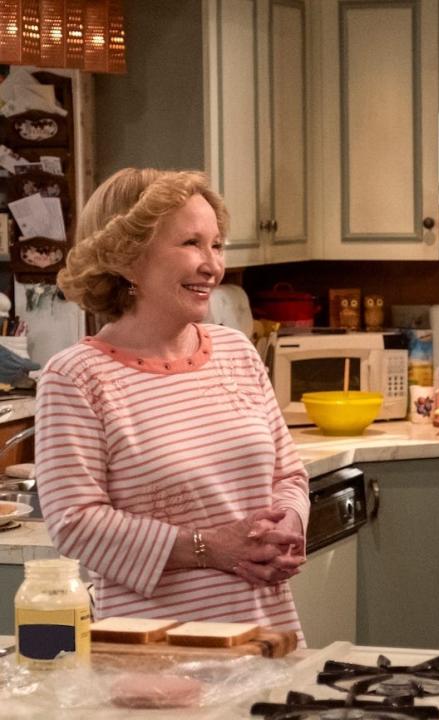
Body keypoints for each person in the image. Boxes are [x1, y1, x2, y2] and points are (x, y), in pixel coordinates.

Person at [35, 168, 310, 640]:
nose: (212, 265)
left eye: (217, 245)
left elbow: (288, 475)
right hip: (157, 648)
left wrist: (288, 524)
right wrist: (211, 548)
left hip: (268, 633)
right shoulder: (77, 377)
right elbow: (75, 524)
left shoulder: (236, 352)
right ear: (127, 257)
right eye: (191, 244)